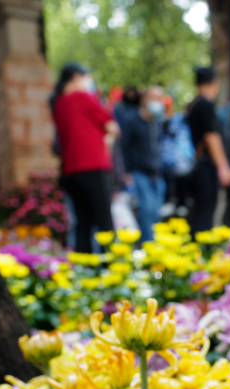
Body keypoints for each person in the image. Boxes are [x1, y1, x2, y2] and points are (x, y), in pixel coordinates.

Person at [51, 62, 119, 253]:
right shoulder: (83, 97)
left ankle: (85, 267)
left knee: (83, 223)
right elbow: (112, 127)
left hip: (70, 171)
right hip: (93, 166)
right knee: (105, 222)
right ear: (76, 77)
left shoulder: (58, 104)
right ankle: (113, 266)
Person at [185, 66, 230, 234]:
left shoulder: (193, 105)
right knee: (206, 215)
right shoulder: (205, 105)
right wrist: (223, 168)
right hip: (206, 167)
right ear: (215, 83)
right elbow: (211, 137)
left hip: (197, 166)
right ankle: (203, 248)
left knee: (201, 211)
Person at [121, 86, 167, 241]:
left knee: (156, 212)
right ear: (144, 99)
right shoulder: (132, 121)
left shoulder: (158, 122)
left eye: (159, 98)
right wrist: (127, 172)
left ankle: (156, 243)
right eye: (153, 97)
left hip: (157, 173)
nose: (157, 101)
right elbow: (124, 147)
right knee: (147, 211)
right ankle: (149, 245)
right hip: (140, 172)